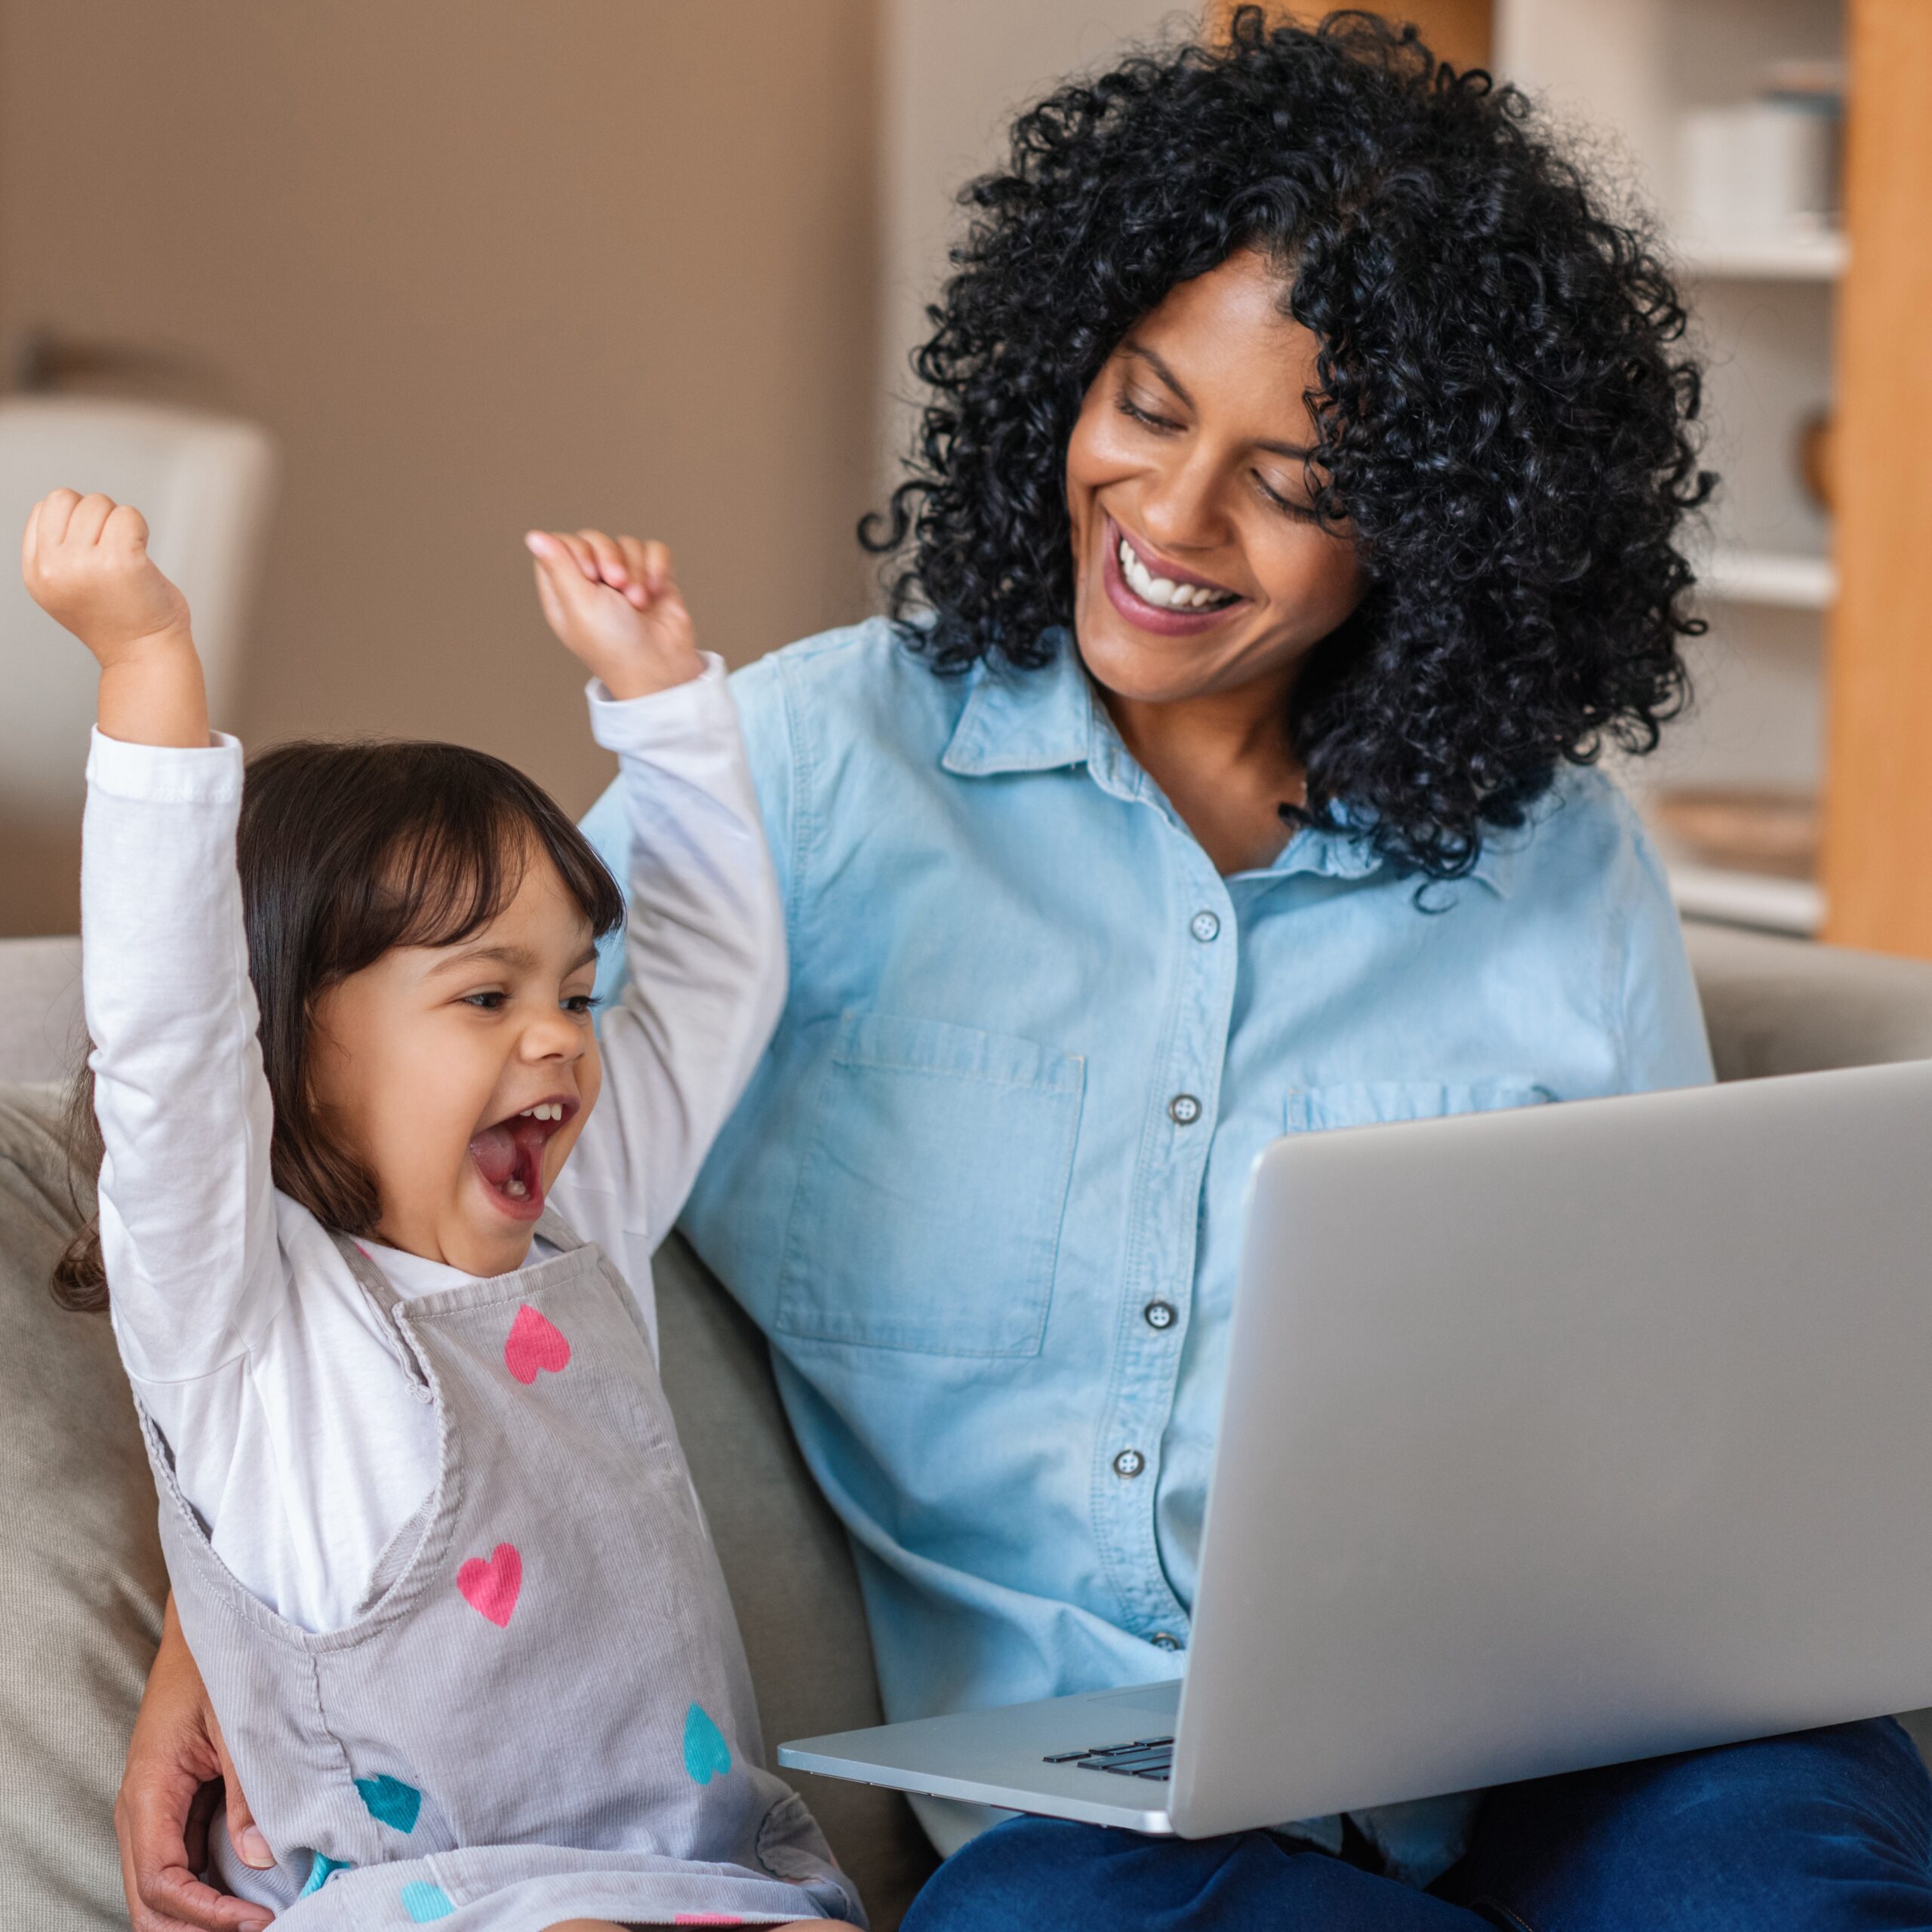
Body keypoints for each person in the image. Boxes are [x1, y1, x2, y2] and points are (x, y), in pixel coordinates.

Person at [118, 11, 1932, 1929]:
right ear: (1061, 368)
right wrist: (217, 1611)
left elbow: (1684, 1383)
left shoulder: (1557, 861)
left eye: (1294, 478)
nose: (1167, 516)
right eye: (1146, 408)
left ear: (1434, 529)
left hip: (1574, 1733)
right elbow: (408, 1159)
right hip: (1109, 1831)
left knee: (1776, 1859)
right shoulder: (804, 776)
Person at [28, 485, 859, 1932]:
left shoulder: (579, 1222)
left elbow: (723, 979)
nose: (559, 1038)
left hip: (704, 1885)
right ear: (284, 1036)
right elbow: (170, 1044)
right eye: (486, 996)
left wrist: (659, 695)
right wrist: (148, 660)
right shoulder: (244, 1320)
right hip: (427, 1906)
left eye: (575, 994)